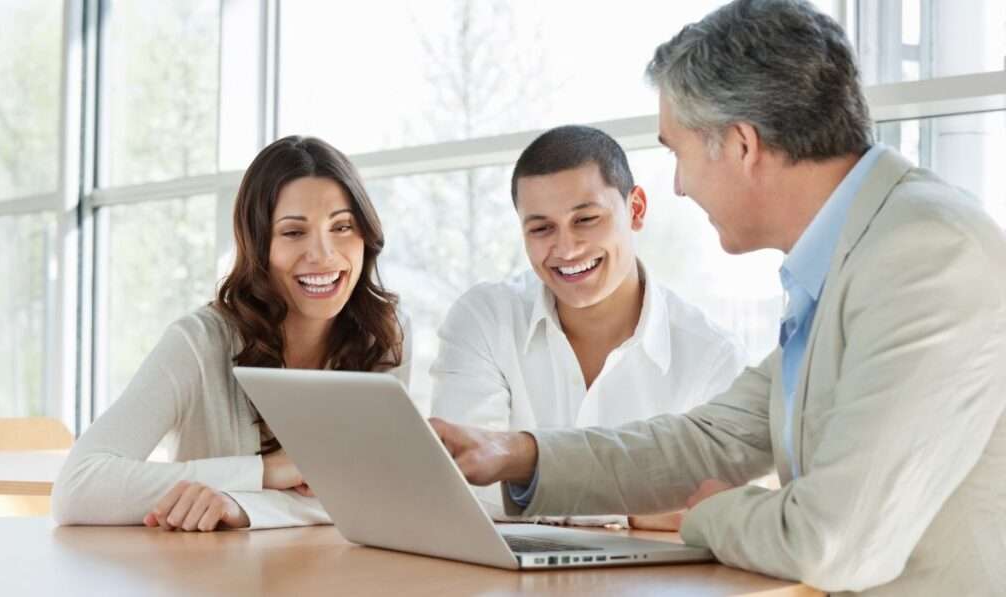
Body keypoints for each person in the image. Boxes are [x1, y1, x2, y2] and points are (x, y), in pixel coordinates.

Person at [430, 1, 1006, 594]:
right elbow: (711, 440)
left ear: (740, 144)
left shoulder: (925, 254)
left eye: (677, 151)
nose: (678, 184)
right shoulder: (852, 255)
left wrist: (706, 514)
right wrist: (515, 454)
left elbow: (831, 542)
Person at [52, 135, 410, 531]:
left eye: (342, 226)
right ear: (258, 245)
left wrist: (244, 507)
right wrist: (265, 472)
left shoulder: (384, 335)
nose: (324, 254)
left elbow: (384, 493)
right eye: (293, 232)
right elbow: (78, 488)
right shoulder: (199, 341)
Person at [430, 125, 744, 528]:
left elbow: (716, 507)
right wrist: (635, 507)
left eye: (587, 219)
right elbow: (465, 487)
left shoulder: (710, 357)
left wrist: (529, 479)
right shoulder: (485, 318)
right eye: (541, 228)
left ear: (636, 211)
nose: (566, 249)